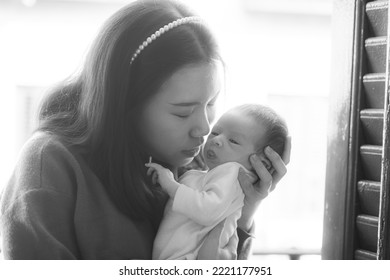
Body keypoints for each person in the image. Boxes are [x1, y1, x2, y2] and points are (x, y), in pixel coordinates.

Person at [0, 0, 290, 259]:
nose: (204, 128)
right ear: (124, 101)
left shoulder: (201, 165)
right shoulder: (51, 165)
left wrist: (242, 211)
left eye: (211, 103)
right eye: (183, 112)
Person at [147, 104, 288, 259]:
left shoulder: (231, 172)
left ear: (261, 163)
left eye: (233, 141)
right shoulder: (211, 173)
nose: (216, 140)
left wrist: (170, 184)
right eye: (215, 132)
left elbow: (206, 210)